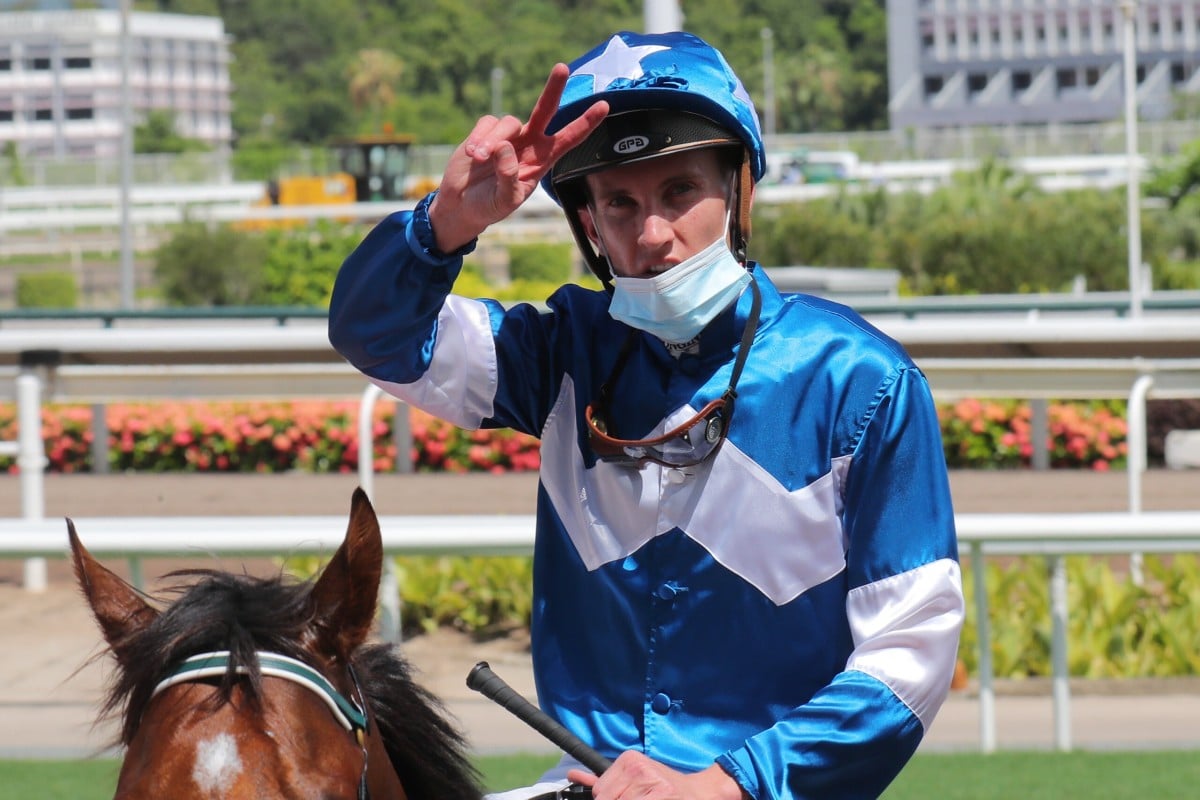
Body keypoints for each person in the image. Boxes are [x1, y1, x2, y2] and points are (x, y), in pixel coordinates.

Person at [329, 30, 964, 800]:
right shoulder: (557, 351)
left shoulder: (864, 381)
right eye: (620, 204)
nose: (653, 234)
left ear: (737, 190)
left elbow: (910, 656)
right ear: (588, 224)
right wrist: (440, 229)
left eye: (679, 193)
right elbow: (375, 335)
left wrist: (727, 784)